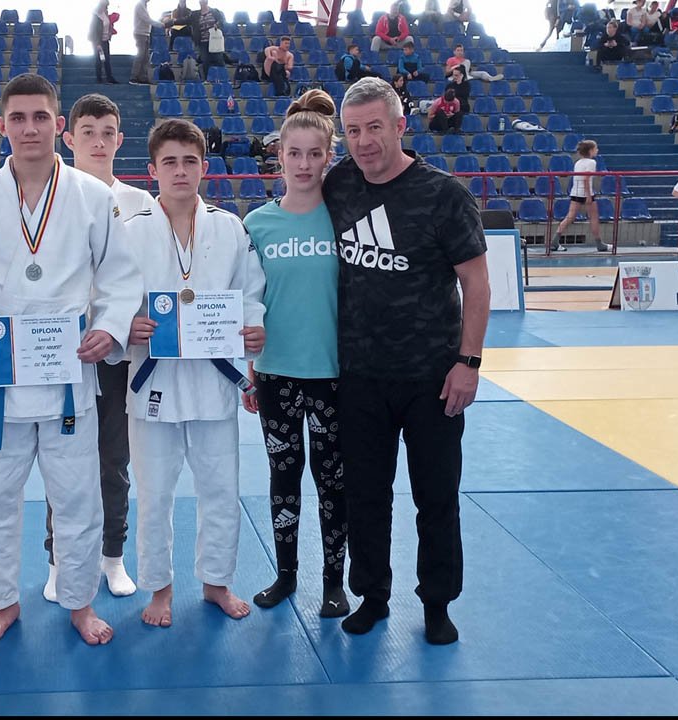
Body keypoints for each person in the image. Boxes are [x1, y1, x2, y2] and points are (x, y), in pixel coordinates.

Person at [0, 73, 141, 647]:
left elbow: (120, 278)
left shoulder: (94, 197)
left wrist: (108, 329)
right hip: (0, 377)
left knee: (78, 498)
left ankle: (79, 602)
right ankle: (2, 603)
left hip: (68, 375)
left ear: (58, 124)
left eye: (41, 117)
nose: (30, 128)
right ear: (1, 125)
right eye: (18, 118)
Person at [323, 77, 490, 646]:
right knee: (365, 495)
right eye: (352, 130)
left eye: (375, 127)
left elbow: (476, 284)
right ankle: (371, 594)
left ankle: (437, 603)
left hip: (432, 377)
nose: (363, 141)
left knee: (436, 496)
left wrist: (469, 362)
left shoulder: (444, 195)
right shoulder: (339, 185)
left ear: (400, 126)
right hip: (359, 376)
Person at [123, 118, 266, 627]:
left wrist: (253, 330)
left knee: (221, 489)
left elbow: (250, 292)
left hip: (213, 382)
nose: (180, 171)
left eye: (189, 161)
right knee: (154, 494)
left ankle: (216, 582)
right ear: (152, 170)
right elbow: (110, 295)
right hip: (154, 381)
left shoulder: (230, 228)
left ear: (205, 167)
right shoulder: (131, 232)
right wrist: (127, 325)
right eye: (170, 162)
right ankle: (159, 588)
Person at [44, 92, 156, 604]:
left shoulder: (142, 205)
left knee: (113, 461)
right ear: (69, 138)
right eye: (87, 132)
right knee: (64, 462)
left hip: (116, 355)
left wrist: (132, 321)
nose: (97, 141)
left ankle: (112, 556)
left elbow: (149, 277)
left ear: (119, 139)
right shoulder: (48, 198)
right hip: (60, 352)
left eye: (107, 132)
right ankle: (60, 559)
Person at [242, 89, 348, 616]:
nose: (304, 164)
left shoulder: (345, 219)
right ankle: (286, 575)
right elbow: (246, 302)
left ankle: (334, 582)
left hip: (334, 375)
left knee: (333, 482)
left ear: (328, 156)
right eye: (294, 153)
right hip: (276, 375)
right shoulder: (257, 224)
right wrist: (248, 372)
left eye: (314, 153)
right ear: (278, 156)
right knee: (283, 478)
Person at [552, 140, 610, 253]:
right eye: (595, 148)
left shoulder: (578, 162)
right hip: (586, 192)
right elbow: (586, 178)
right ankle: (599, 243)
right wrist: (588, 195)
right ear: (590, 151)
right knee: (594, 217)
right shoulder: (591, 162)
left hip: (576, 192)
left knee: (570, 217)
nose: (597, 150)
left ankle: (555, 240)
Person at [191, 0, 226, 82]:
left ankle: (223, 79)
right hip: (203, 42)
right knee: (205, 61)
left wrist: (217, 24)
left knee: (219, 60)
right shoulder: (195, 14)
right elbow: (185, 20)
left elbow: (222, 21)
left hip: (215, 41)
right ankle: (207, 79)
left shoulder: (215, 12)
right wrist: (172, 22)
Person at [131, 0, 160, 85]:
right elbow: (146, 19)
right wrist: (160, 24)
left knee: (146, 57)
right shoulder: (140, 5)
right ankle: (134, 77)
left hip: (146, 33)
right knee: (140, 55)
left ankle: (142, 77)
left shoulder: (144, 5)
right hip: (140, 33)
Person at [89, 0, 117, 85]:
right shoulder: (95, 15)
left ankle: (109, 77)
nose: (106, 8)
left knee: (107, 59)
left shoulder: (105, 13)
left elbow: (108, 24)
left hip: (105, 39)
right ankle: (99, 78)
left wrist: (110, 32)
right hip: (98, 41)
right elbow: (93, 30)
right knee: (99, 59)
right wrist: (97, 43)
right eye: (105, 6)